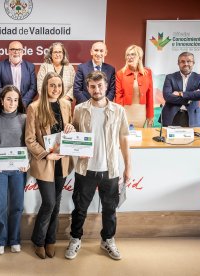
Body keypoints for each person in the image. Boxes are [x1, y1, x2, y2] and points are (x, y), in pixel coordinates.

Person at [65, 71, 131, 261]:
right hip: (85, 169)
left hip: (110, 168)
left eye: (100, 86)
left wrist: (128, 166)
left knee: (110, 209)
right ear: (87, 88)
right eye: (93, 87)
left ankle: (108, 240)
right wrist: (70, 129)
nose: (96, 90)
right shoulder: (79, 109)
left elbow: (124, 139)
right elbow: (74, 136)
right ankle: (75, 238)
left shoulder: (119, 110)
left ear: (106, 86)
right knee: (80, 208)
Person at [25, 72, 74, 259]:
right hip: (46, 162)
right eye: (52, 85)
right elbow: (29, 139)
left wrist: (71, 127)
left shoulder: (66, 104)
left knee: (57, 204)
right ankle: (38, 240)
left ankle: (50, 240)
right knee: (49, 203)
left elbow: (70, 129)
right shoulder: (34, 107)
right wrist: (46, 154)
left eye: (59, 86)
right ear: (45, 87)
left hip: (62, 161)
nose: (56, 89)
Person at [0, 85, 28, 255]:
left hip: (19, 169)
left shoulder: (25, 118)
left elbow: (29, 143)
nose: (12, 103)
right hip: (0, 169)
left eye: (15, 99)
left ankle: (14, 239)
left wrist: (28, 162)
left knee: (17, 206)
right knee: (0, 206)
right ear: (2, 100)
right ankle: (0, 239)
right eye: (8, 99)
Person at [161, 52, 200, 127]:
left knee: (190, 139)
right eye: (182, 61)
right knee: (169, 138)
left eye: (189, 61)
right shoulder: (170, 77)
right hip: (171, 116)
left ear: (193, 63)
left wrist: (181, 94)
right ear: (178, 64)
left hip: (191, 117)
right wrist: (190, 98)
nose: (185, 64)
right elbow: (167, 96)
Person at [115, 45, 154, 128]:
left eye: (133, 54)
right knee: (125, 137)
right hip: (126, 111)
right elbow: (118, 96)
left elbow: (149, 95)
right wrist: (119, 114)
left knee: (140, 137)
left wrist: (150, 116)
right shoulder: (120, 73)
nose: (130, 57)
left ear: (139, 57)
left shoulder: (147, 72)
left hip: (141, 112)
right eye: (128, 55)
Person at [0, 41, 37, 107]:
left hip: (25, 106)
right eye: (13, 49)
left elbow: (33, 88)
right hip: (6, 106)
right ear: (8, 51)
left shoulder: (30, 67)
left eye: (19, 49)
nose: (16, 52)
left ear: (22, 52)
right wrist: (8, 102)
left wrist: (22, 103)